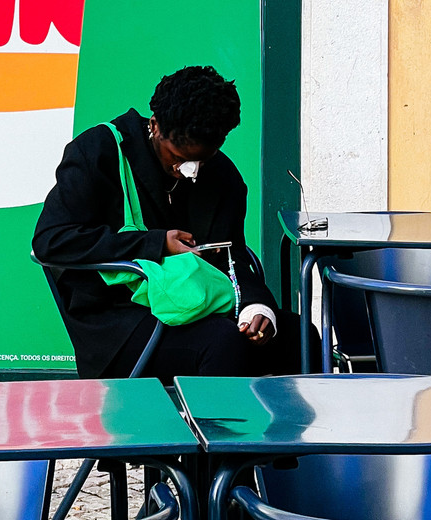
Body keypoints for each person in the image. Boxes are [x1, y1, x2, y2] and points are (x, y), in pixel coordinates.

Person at [33, 64, 309, 379]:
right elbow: (50, 241)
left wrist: (257, 309)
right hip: (119, 321)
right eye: (177, 157)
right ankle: (213, 429)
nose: (188, 170)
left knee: (301, 337)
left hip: (199, 306)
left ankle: (285, 431)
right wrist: (156, 243)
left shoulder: (222, 176)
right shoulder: (101, 151)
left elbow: (232, 259)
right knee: (222, 343)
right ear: (154, 126)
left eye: (201, 159)